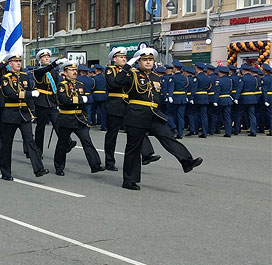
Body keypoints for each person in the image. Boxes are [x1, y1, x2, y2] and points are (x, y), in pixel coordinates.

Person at [114, 48, 203, 190]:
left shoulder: (156, 77)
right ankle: (129, 180)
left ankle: (186, 161)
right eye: (144, 60)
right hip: (136, 114)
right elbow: (117, 81)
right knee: (134, 148)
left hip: (153, 113)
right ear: (138, 61)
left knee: (168, 136)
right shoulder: (132, 74)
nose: (148, 62)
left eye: (150, 59)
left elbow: (157, 98)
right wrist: (127, 66)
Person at [104, 47, 160, 171]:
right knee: (112, 134)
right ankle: (109, 161)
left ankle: (146, 154)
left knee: (137, 129)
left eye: (125, 57)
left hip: (129, 104)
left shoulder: (131, 71)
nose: (124, 58)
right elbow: (113, 84)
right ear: (114, 59)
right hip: (115, 104)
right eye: (121, 57)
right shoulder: (110, 70)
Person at [0, 52, 49, 180]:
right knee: (7, 145)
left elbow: (29, 95)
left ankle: (38, 169)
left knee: (30, 141)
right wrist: (30, 95)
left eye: (19, 61)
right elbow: (10, 94)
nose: (18, 63)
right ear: (9, 64)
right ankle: (6, 172)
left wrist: (32, 112)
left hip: (24, 114)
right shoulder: (5, 78)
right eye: (15, 61)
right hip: (10, 114)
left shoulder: (25, 76)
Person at [53, 60, 105, 176]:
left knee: (87, 141)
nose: (74, 72)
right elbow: (65, 100)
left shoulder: (80, 84)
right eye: (71, 70)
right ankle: (59, 167)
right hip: (66, 117)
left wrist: (86, 117)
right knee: (62, 144)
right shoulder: (62, 85)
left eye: (75, 70)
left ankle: (95, 165)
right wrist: (82, 100)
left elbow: (88, 100)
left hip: (80, 118)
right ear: (65, 72)